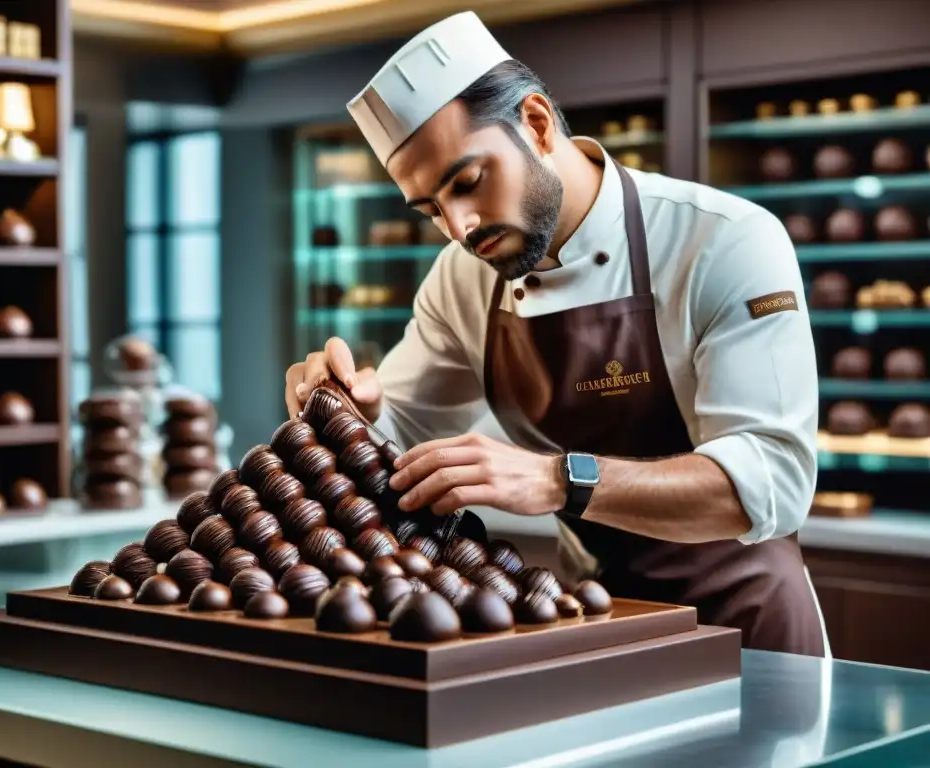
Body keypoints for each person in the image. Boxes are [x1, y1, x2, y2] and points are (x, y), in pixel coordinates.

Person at [285, 11, 828, 656]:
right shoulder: (461, 279)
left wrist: (558, 480)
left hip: (746, 627)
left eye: (468, 182)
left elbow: (776, 480)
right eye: (432, 208)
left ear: (537, 125)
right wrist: (356, 411)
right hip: (589, 617)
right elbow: (399, 431)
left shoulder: (723, 240)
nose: (459, 227)